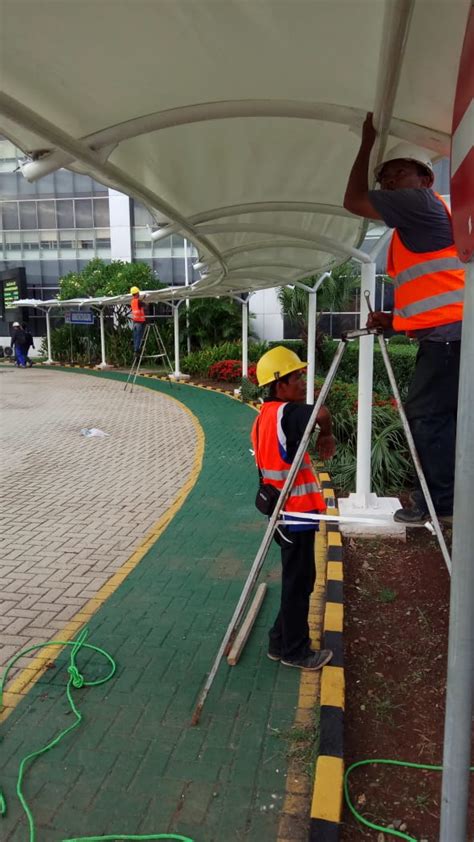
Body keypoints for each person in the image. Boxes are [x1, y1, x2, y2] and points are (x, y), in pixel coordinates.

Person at [343, 114, 464, 524]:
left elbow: (353, 201)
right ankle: (448, 497)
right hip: (448, 334)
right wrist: (393, 321)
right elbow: (432, 293)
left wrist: (366, 145)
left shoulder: (420, 204)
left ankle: (441, 503)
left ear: (425, 180)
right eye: (385, 179)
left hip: (451, 336)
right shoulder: (420, 221)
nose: (390, 183)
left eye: (398, 173)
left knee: (426, 415)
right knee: (446, 417)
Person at [251, 346, 335, 671]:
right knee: (300, 583)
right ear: (279, 385)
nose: (303, 383)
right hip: (296, 514)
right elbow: (323, 414)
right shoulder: (287, 413)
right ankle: (295, 652)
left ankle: (278, 640)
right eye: (296, 378)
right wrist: (326, 436)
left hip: (283, 514)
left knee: (297, 580)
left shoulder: (264, 418)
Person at [130, 286, 147, 355]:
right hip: (140, 322)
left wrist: (143, 299)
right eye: (138, 292)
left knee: (135, 336)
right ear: (136, 293)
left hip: (135, 322)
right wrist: (146, 301)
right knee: (139, 336)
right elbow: (145, 305)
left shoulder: (132, 301)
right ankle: (137, 350)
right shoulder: (138, 301)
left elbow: (139, 304)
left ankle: (135, 347)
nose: (139, 294)